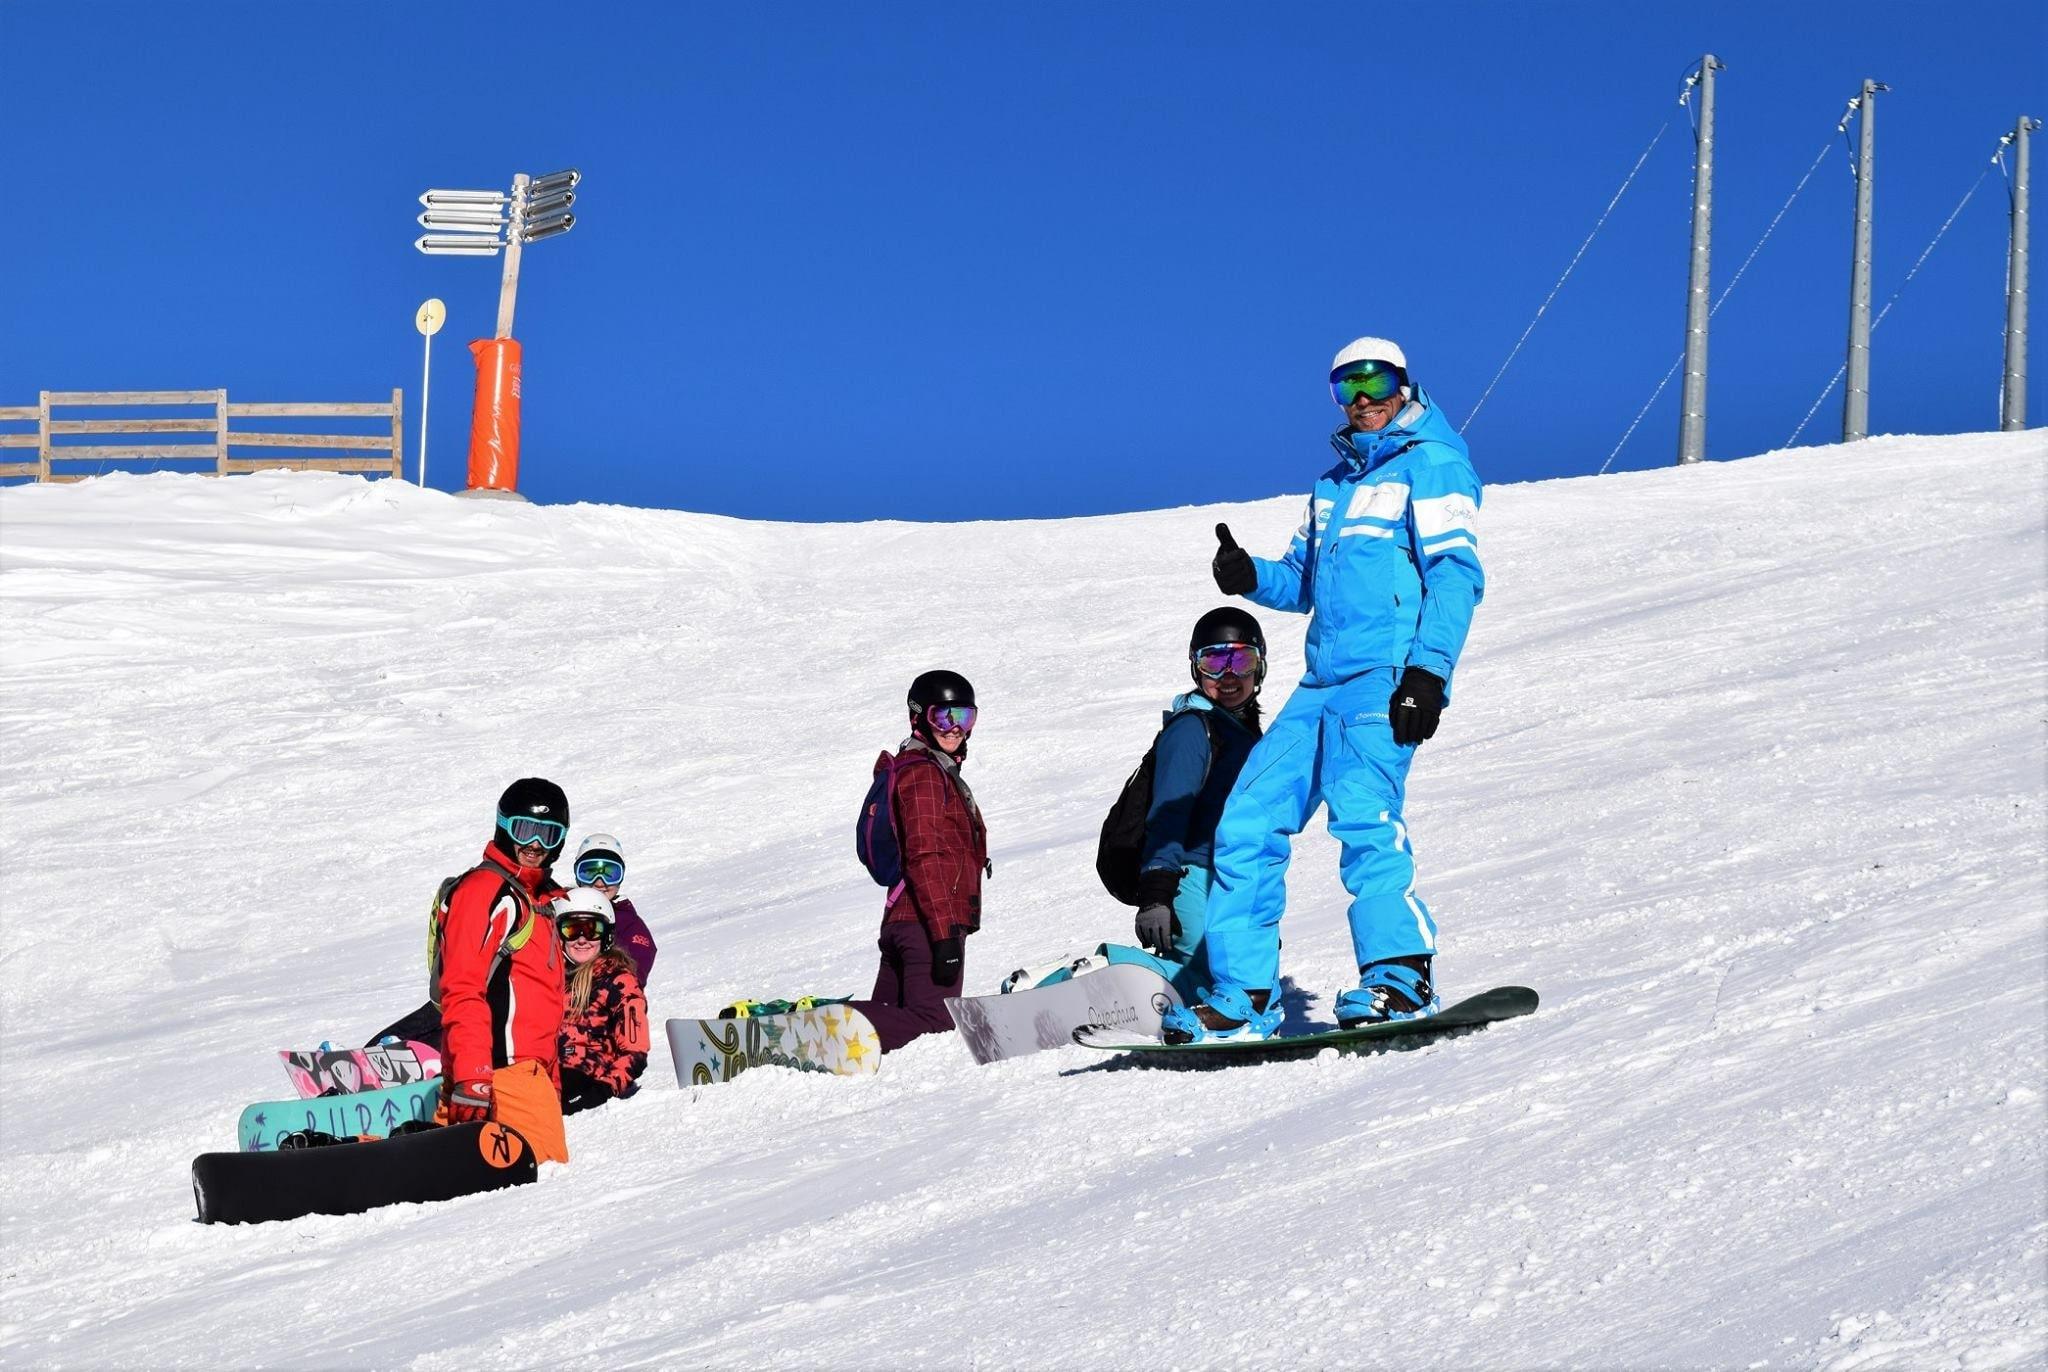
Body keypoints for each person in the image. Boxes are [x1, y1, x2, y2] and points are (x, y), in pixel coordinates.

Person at [1173, 336, 1484, 1043]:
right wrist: (1249, 575)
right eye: (1347, 387)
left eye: (1375, 382)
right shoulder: (1333, 485)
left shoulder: (1433, 463)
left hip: (1386, 676)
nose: (1363, 399)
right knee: (1246, 820)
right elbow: (1302, 581)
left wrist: (1428, 673)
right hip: (1320, 684)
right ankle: (1244, 994)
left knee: (1364, 815)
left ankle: (1401, 975)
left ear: (1404, 384)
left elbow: (1455, 576)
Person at [1026, 608, 1266, 1002]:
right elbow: (1169, 812)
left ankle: (1089, 979)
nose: (1228, 676)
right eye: (1213, 662)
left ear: (1260, 666)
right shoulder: (1193, 729)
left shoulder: (1244, 734)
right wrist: (1157, 891)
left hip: (1231, 878)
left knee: (1242, 980)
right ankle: (1076, 981)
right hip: (1194, 875)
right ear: (1196, 669)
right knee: (1212, 983)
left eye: (1241, 661)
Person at [432, 777, 574, 1163]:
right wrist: (473, 1076)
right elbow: (463, 986)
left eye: (549, 834)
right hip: (498, 1077)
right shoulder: (487, 890)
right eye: (525, 830)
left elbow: (538, 1009)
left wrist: (549, 1085)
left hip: (524, 1079)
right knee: (538, 1180)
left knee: (472, 1179)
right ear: (503, 826)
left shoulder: (538, 901)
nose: (536, 844)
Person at [849, 669, 990, 1052]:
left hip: (906, 920)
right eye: (943, 717)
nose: (955, 728)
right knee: (932, 1024)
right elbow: (924, 856)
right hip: (927, 924)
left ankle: (797, 1026)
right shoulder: (926, 775)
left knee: (887, 1026)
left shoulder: (927, 769)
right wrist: (944, 935)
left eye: (965, 717)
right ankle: (814, 1024)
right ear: (918, 718)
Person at [552, 885, 650, 1114]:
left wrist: (602, 1091)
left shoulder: (619, 981)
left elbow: (635, 1052)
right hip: (546, 1086)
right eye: (571, 929)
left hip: (591, 1085)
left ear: (606, 934)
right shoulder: (548, 980)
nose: (582, 939)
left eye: (592, 929)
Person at [571, 833, 658, 988]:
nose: (599, 882)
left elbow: (632, 981)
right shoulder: (563, 909)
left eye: (610, 874)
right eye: (589, 872)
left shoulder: (630, 926)